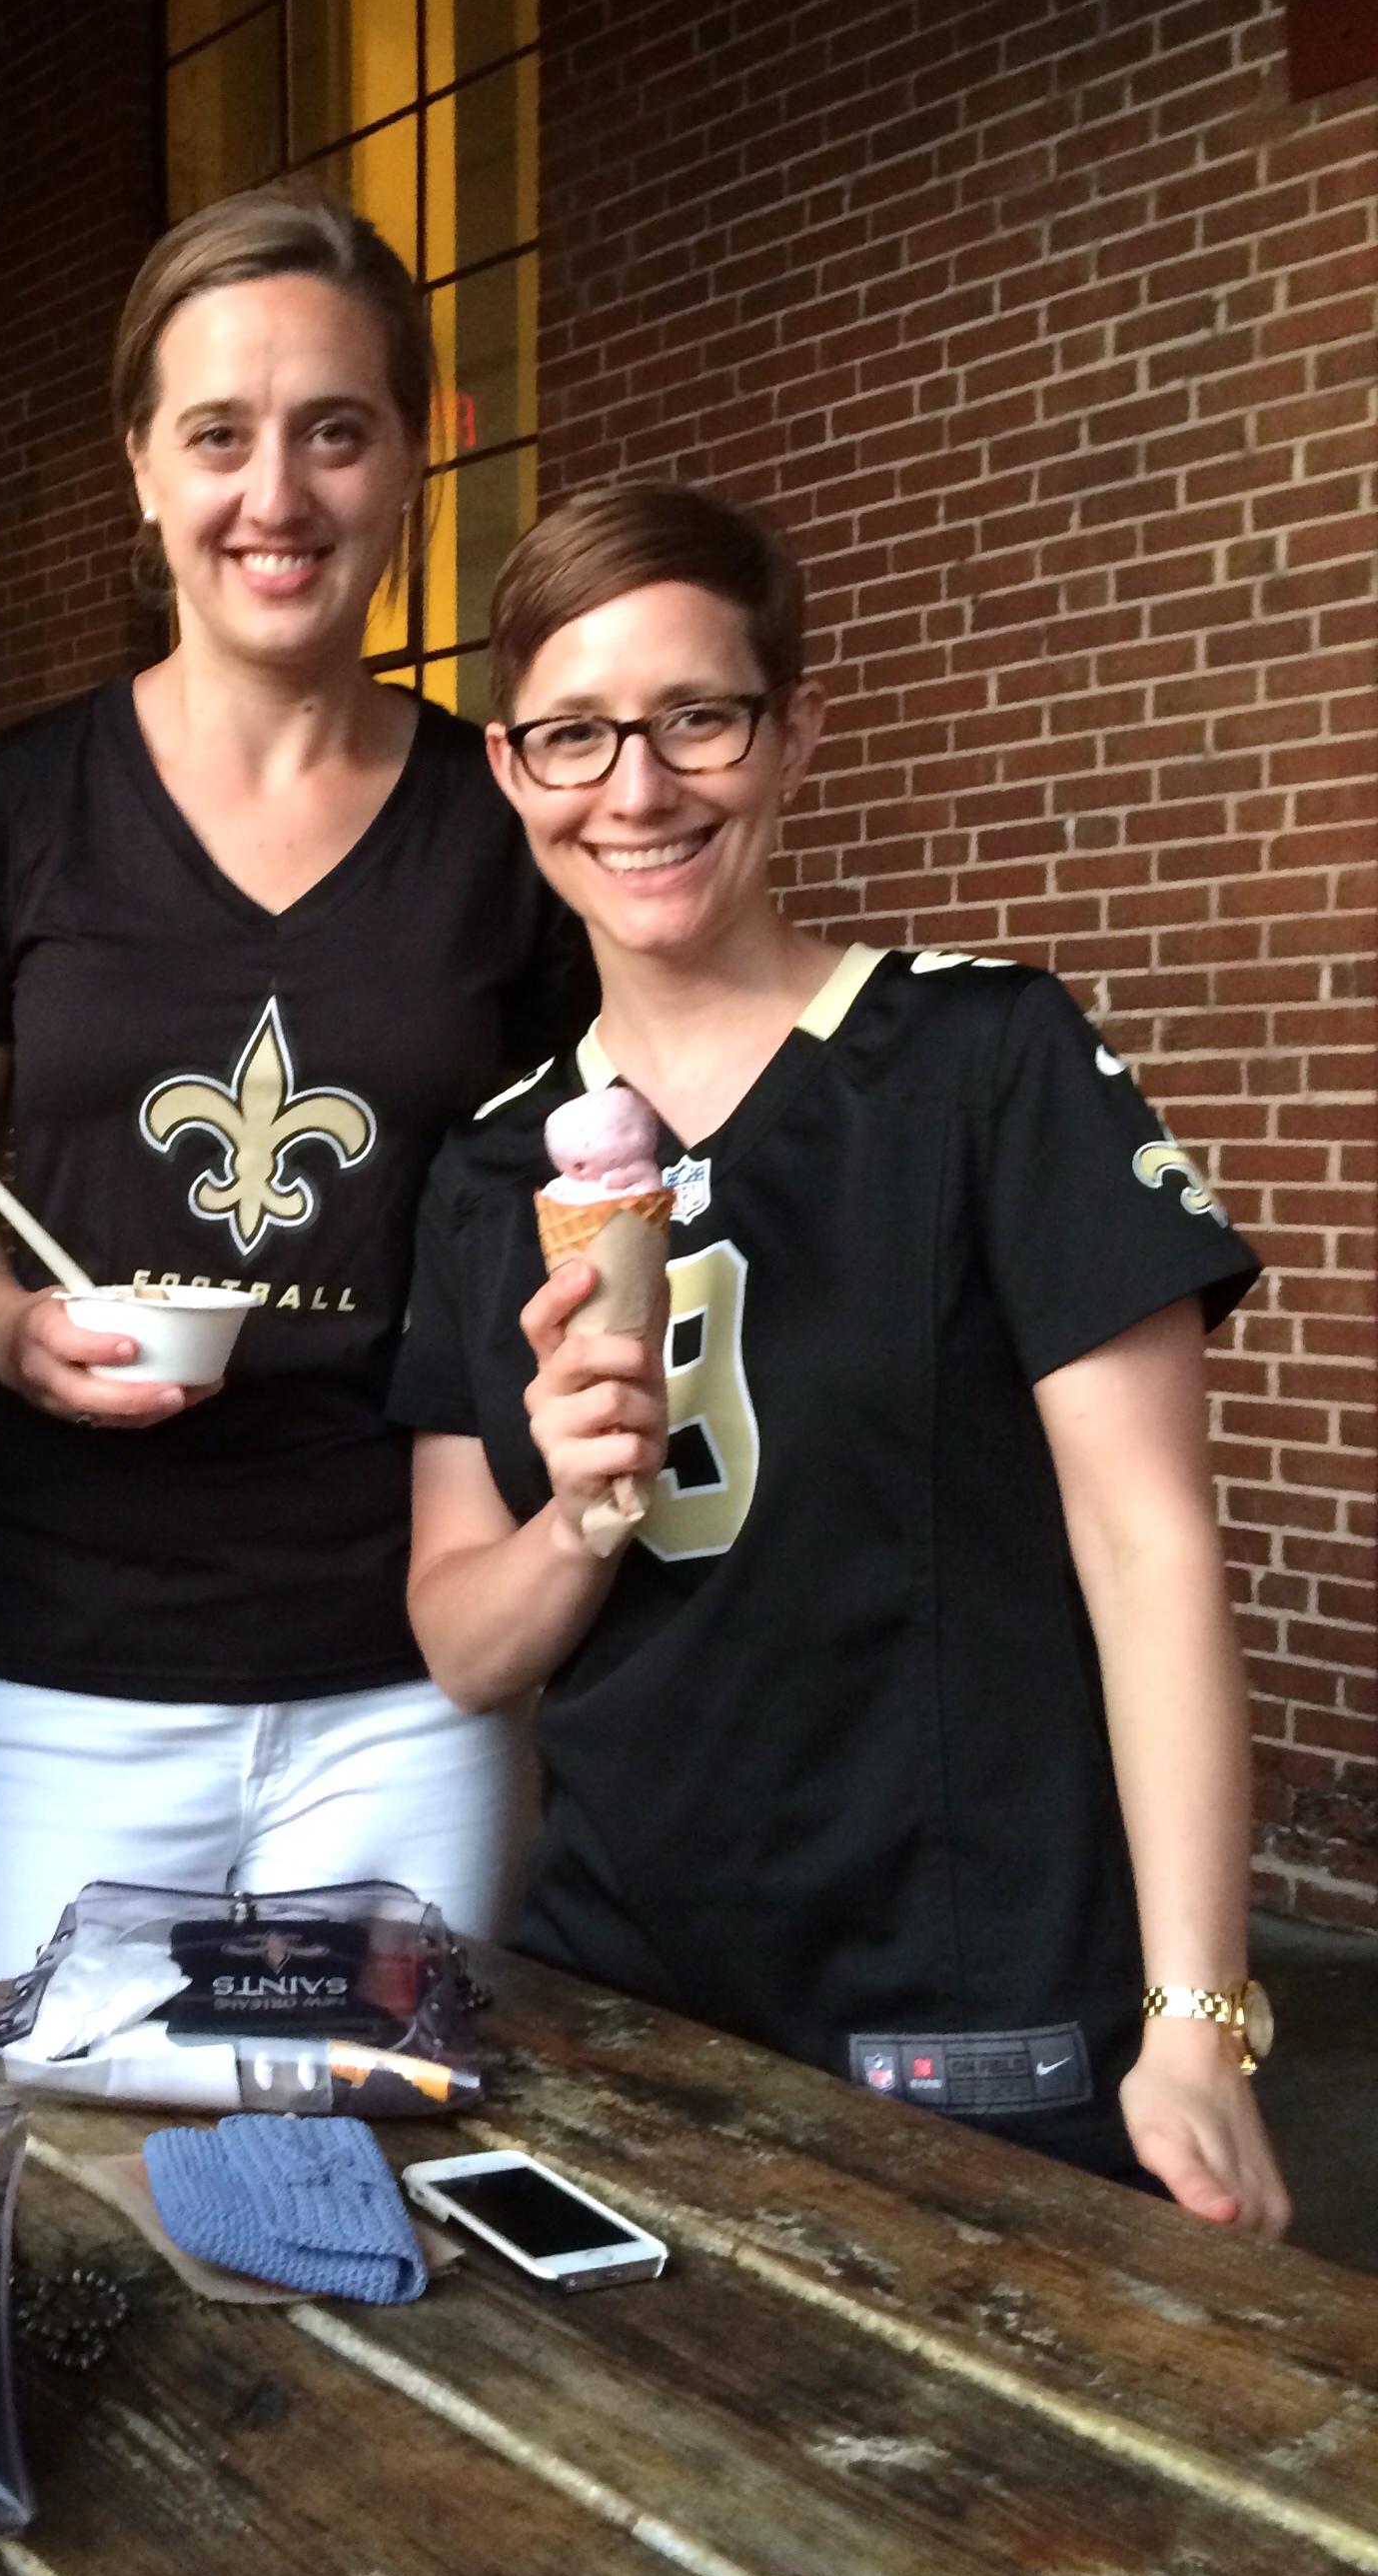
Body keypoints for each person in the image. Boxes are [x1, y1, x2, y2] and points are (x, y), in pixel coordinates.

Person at [394, 482, 1288, 2230]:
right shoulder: (492, 1168)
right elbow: (461, 1644)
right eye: (576, 734)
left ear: (795, 732)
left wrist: (1197, 2023)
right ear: (511, 770)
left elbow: (1150, 1548)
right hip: (620, 1991)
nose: (637, 790)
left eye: (697, 718)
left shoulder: (986, 1062)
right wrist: (577, 1511)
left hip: (973, 2002)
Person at [0, 189, 595, 1986]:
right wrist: (8, 1332)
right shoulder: (7, 813)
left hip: (408, 1676)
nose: (276, 495)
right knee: (52, 2145)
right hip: (61, 1662)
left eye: (335, 432)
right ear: (141, 465)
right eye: (218, 435)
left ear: (412, 463)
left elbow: (571, 1201)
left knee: (384, 2144)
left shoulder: (507, 827)